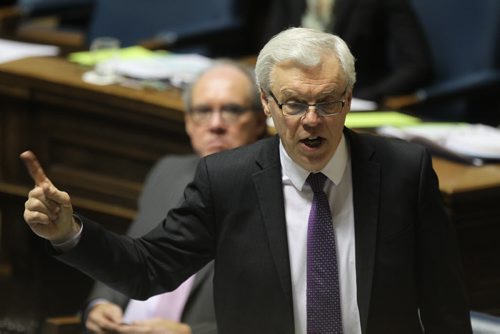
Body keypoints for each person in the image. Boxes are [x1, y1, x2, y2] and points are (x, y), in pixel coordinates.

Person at [22, 27, 472, 333]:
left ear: (349, 100)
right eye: (294, 104)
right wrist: (69, 233)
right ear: (267, 105)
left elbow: (444, 306)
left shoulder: (402, 172)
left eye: (329, 103)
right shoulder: (227, 180)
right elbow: (148, 269)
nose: (312, 121)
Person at [82, 60, 267, 333]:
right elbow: (131, 252)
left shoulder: (276, 196)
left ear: (260, 121)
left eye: (231, 110)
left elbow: (279, 320)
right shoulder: (167, 171)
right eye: (203, 111)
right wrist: (101, 303)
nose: (215, 124)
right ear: (189, 123)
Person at [260, 0, 433, 106]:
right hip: (290, 100)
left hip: (355, 100)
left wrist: (369, 96)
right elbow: (271, 49)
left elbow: (417, 65)